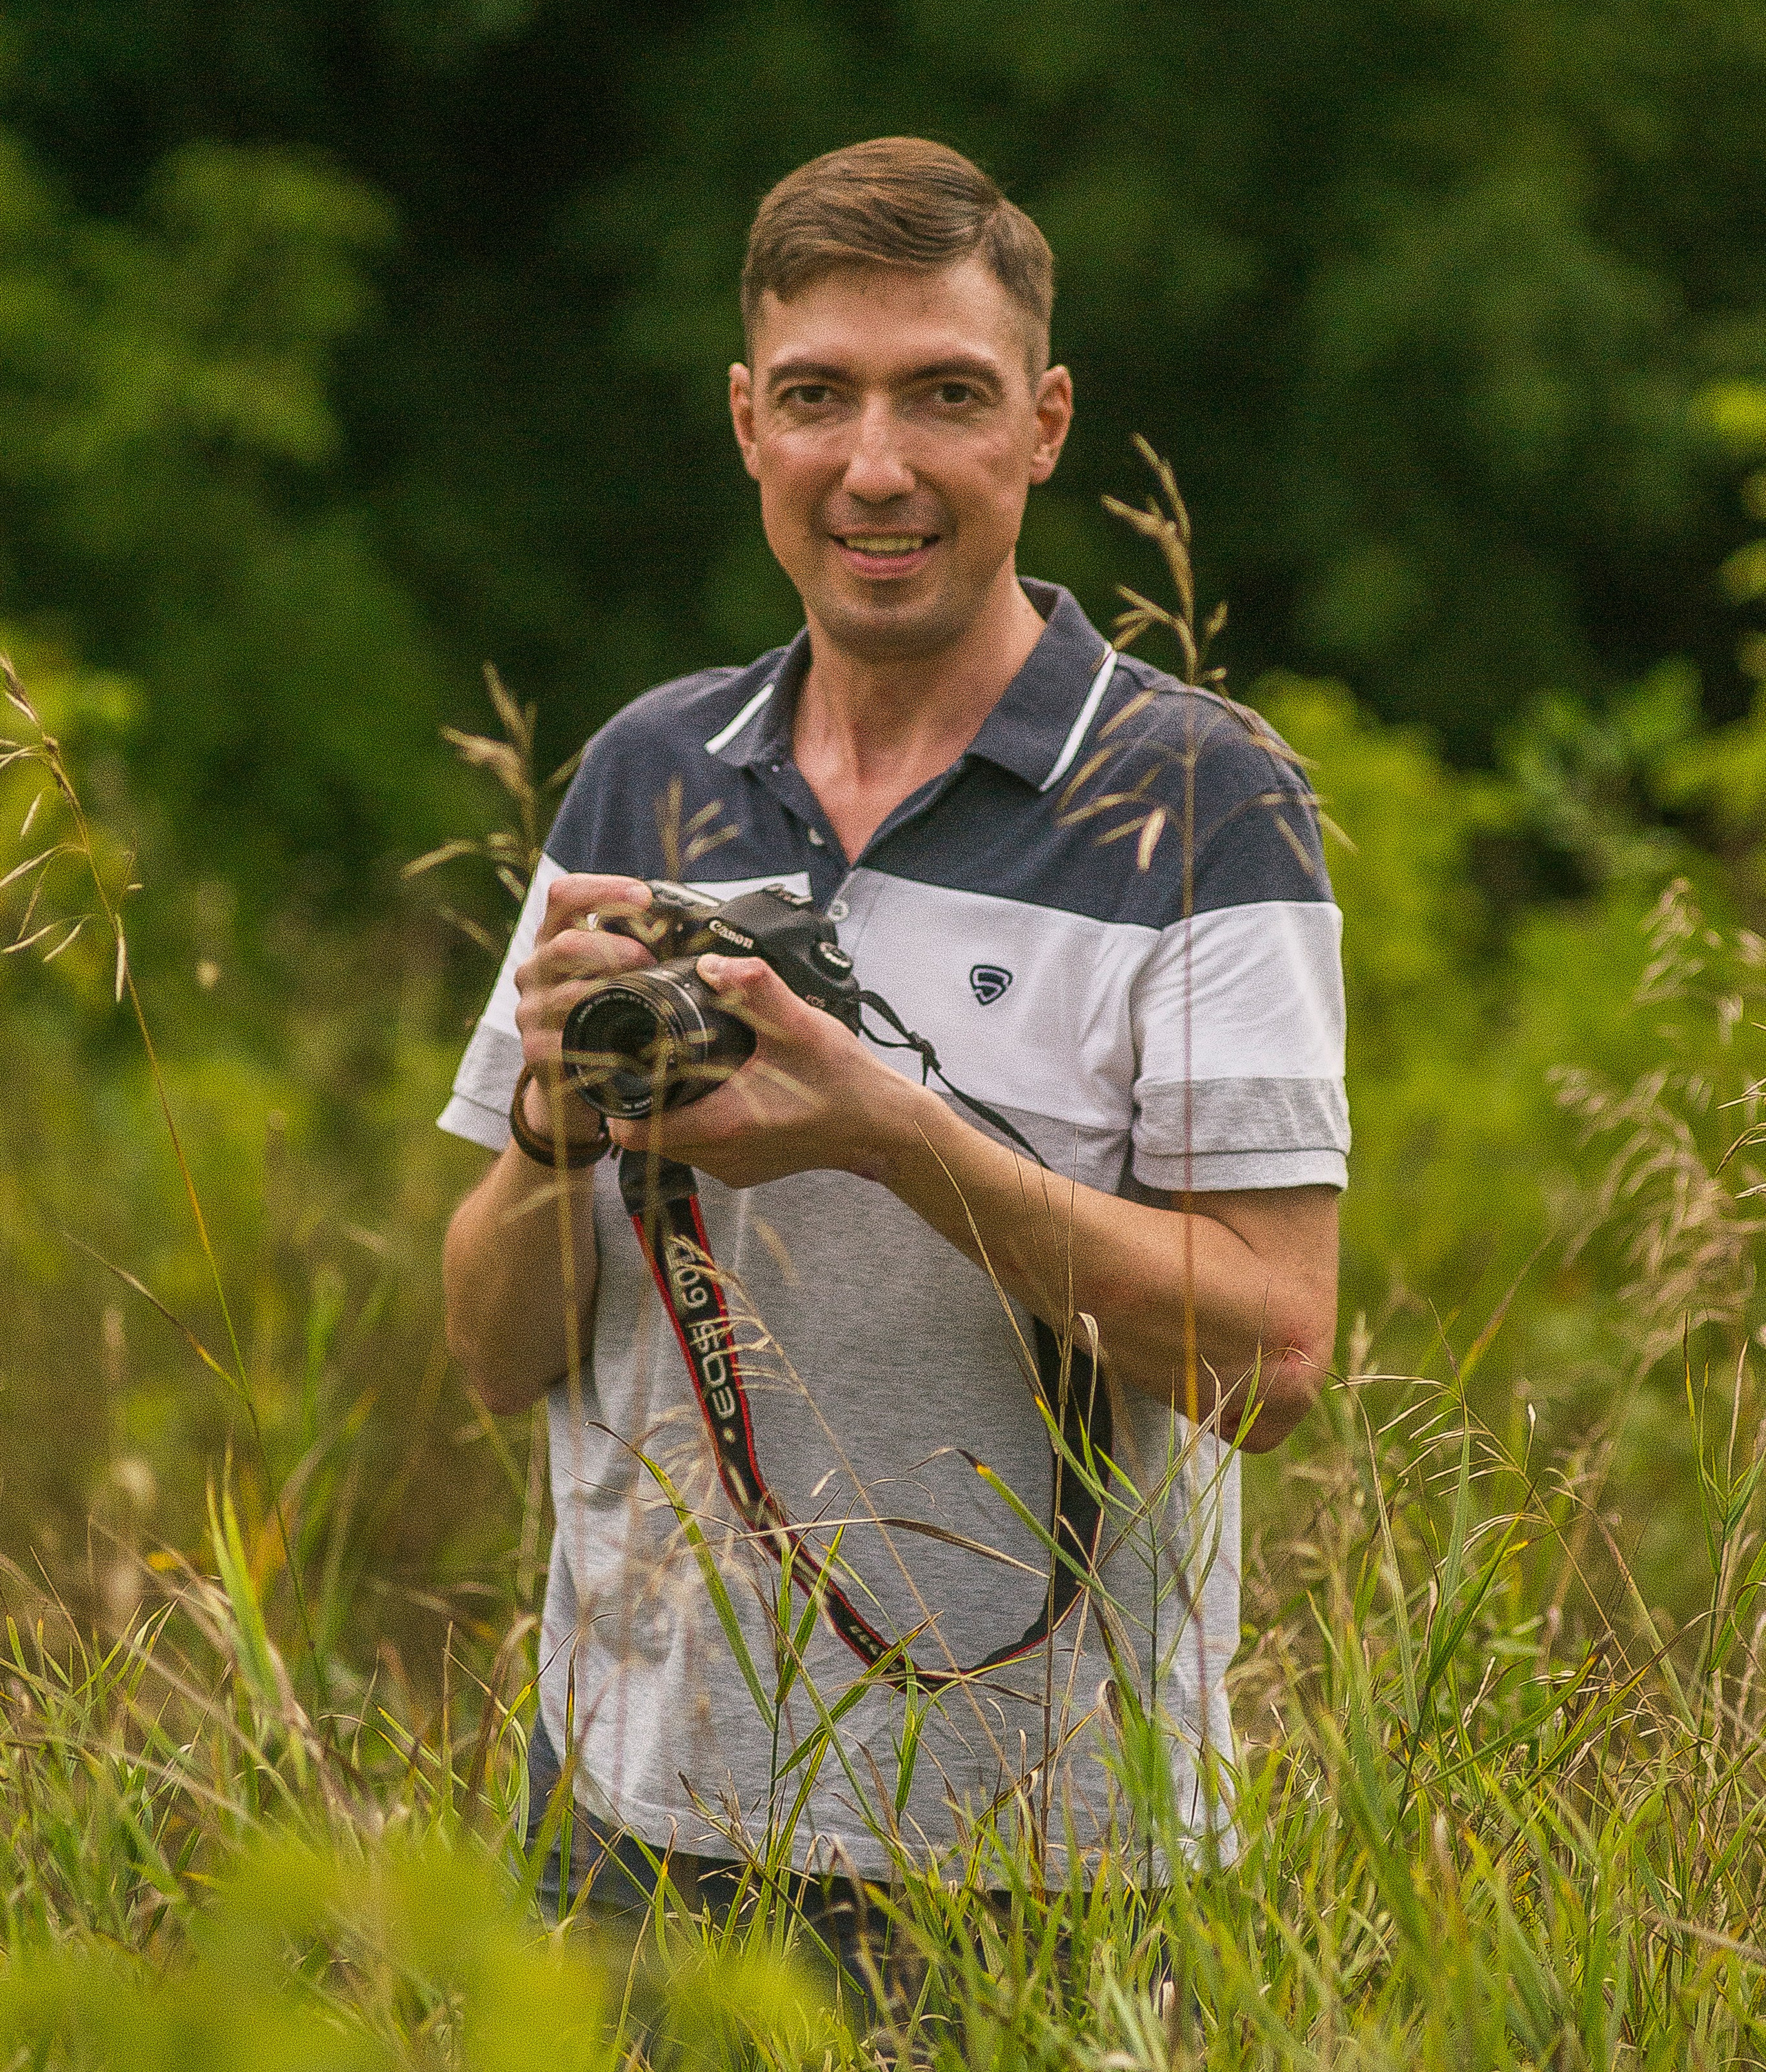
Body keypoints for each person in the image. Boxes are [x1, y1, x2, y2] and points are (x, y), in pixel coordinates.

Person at [439, 137, 1345, 1943]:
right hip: (620, 1815)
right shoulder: (649, 773)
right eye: (817, 397)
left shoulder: (1198, 799)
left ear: (1046, 421)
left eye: (946, 395)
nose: (877, 465)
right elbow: (487, 1352)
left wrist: (883, 1132)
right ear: (744, 422)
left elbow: (1273, 1364)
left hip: (1045, 1855)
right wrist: (555, 1128)